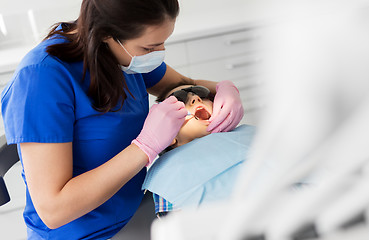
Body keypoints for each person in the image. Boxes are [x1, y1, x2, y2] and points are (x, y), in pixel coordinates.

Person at [0, 0, 244, 239]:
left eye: (163, 43)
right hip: (87, 233)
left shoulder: (119, 54)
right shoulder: (41, 79)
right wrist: (144, 147)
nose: (158, 55)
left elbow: (181, 86)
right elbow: (53, 211)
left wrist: (223, 88)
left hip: (140, 209)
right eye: (148, 48)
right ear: (106, 34)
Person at [142, 82, 256, 217]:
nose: (196, 98)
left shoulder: (245, 133)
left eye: (200, 92)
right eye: (179, 99)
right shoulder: (167, 174)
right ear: (168, 135)